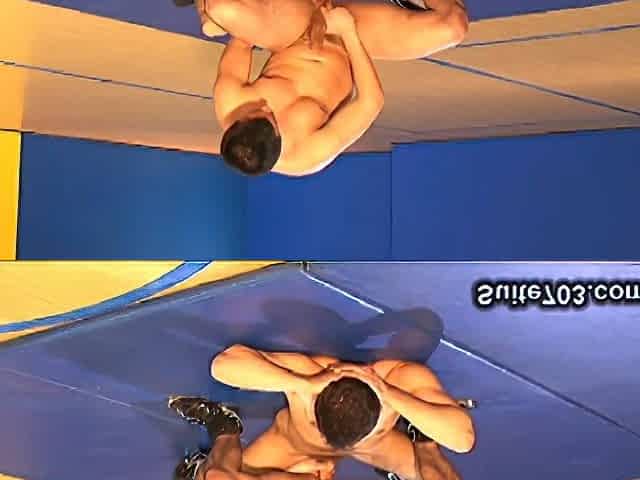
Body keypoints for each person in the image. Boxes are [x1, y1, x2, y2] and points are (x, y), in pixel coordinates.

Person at [174, 0, 468, 176]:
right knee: (452, 27)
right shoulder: (306, 155)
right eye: (270, 115)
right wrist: (346, 31)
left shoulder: (230, 103)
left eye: (255, 110)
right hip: (350, 38)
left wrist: (309, 11)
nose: (264, 105)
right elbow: (371, 101)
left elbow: (244, 39)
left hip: (295, 30)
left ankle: (205, 9)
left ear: (237, 123)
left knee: (223, 10)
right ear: (279, 138)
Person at [170, 344, 474, 480]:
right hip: (292, 447)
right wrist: (303, 383)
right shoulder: (308, 376)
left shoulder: (397, 379)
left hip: (375, 449)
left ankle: (423, 439)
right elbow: (224, 364)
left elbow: (463, 439)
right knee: (217, 478)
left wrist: (390, 394)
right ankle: (225, 427)